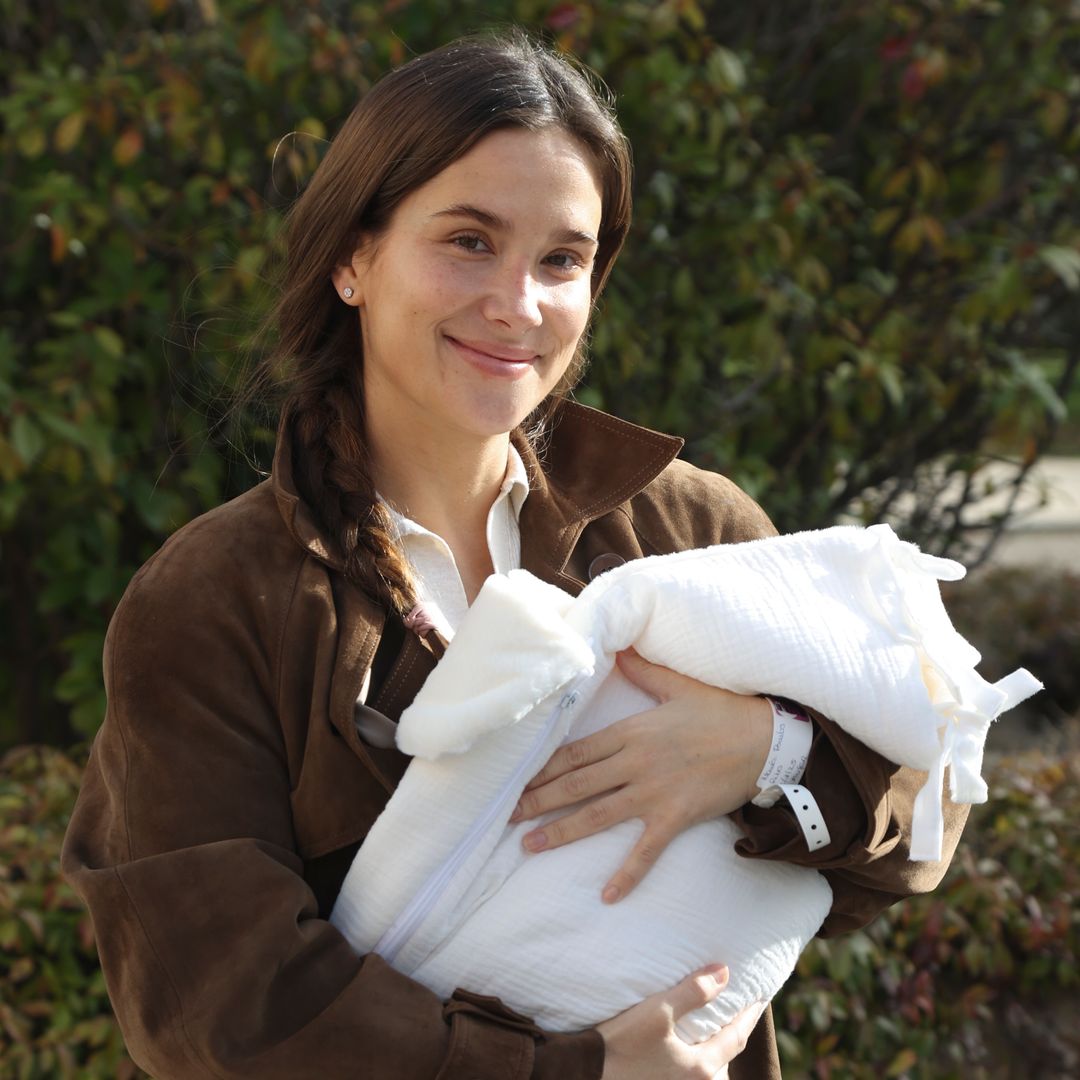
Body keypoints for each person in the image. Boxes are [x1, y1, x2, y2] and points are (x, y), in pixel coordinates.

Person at [61, 30, 967, 1079]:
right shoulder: (214, 598)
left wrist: (766, 753)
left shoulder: (690, 530)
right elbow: (218, 1006)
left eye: (562, 259)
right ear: (355, 257)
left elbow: (922, 825)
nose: (518, 304)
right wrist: (569, 1070)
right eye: (468, 241)